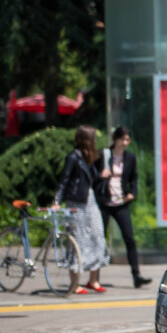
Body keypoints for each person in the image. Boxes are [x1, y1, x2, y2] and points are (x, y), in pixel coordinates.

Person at [52, 124, 110, 294]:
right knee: (77, 241)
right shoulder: (73, 157)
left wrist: (101, 176)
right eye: (92, 138)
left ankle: (93, 280)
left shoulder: (89, 157)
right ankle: (75, 283)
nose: (95, 141)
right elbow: (64, 180)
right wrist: (57, 201)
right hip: (76, 202)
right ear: (86, 139)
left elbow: (91, 180)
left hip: (90, 201)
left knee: (97, 237)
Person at [95, 127, 151, 288]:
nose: (126, 143)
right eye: (123, 139)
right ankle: (95, 278)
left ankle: (136, 275)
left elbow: (134, 178)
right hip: (104, 202)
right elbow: (92, 175)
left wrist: (132, 193)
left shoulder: (130, 158)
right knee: (100, 239)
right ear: (116, 139)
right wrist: (100, 175)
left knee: (129, 238)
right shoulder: (104, 155)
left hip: (120, 202)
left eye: (128, 140)